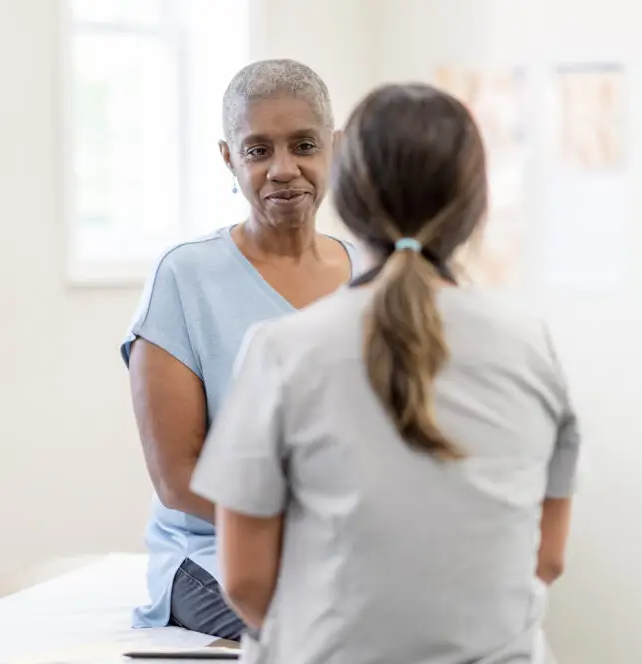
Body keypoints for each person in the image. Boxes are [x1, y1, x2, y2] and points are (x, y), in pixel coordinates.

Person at [191, 83, 581, 663]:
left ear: (346, 198)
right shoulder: (532, 348)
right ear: (475, 209)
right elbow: (545, 560)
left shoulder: (281, 351)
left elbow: (245, 582)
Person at [121, 59, 362, 639]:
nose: (284, 170)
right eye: (257, 151)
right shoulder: (185, 278)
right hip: (214, 554)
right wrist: (318, 528)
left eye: (303, 144)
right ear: (229, 158)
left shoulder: (370, 273)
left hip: (350, 546)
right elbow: (178, 478)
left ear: (335, 146)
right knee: (336, 628)